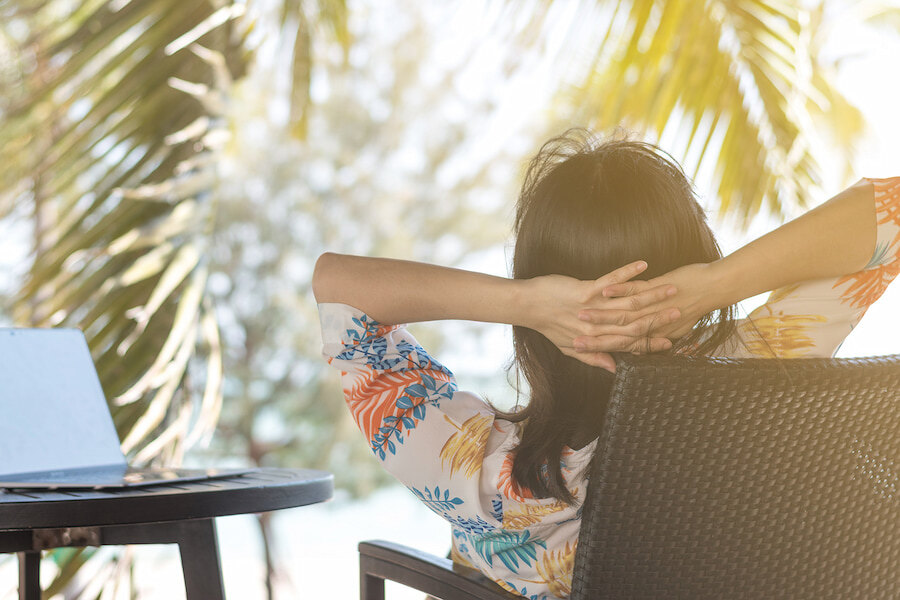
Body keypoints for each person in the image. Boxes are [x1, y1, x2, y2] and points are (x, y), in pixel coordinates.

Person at [313, 128, 900, 599]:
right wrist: (711, 288)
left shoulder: (482, 474)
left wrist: (527, 302)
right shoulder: (765, 367)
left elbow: (338, 287)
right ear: (696, 255)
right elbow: (891, 212)